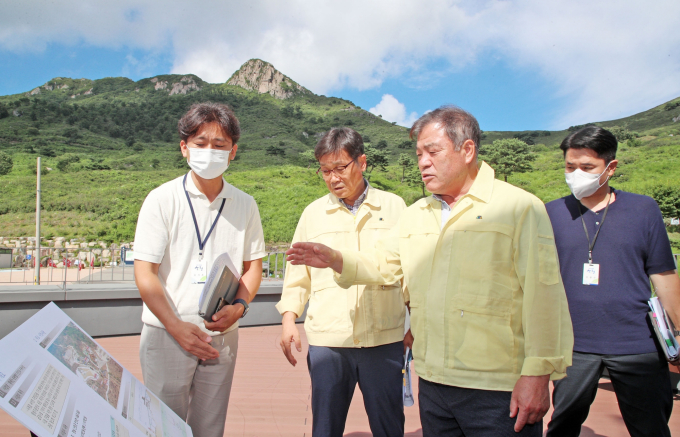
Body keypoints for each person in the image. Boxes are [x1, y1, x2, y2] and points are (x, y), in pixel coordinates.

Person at [286, 106, 574, 437]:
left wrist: (537, 375)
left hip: (498, 388)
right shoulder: (416, 214)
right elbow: (384, 265)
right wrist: (338, 259)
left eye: (432, 151)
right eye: (419, 153)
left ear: (467, 150)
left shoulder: (518, 207)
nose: (422, 161)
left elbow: (545, 297)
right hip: (434, 384)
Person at [133, 102, 265, 437]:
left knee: (209, 427)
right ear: (184, 149)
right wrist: (176, 326)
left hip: (221, 336)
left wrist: (239, 307)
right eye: (200, 143)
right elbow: (144, 273)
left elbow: (253, 268)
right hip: (166, 335)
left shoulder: (245, 204)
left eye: (219, 145)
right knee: (163, 427)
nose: (210, 151)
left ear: (233, 152)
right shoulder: (161, 200)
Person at [545, 126, 680, 437]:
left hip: (637, 345)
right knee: (562, 426)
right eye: (569, 166)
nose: (576, 173)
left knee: (650, 428)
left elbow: (663, 275)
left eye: (587, 167)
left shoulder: (643, 210)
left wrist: (679, 335)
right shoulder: (550, 213)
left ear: (611, 167)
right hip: (572, 345)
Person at [276, 127, 408, 437]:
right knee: (325, 426)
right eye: (325, 171)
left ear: (362, 162)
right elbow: (297, 274)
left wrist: (418, 323)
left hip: (383, 339)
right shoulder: (312, 214)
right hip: (328, 342)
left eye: (341, 168)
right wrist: (288, 319)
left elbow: (409, 271)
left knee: (389, 425)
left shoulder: (395, 208)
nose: (333, 178)